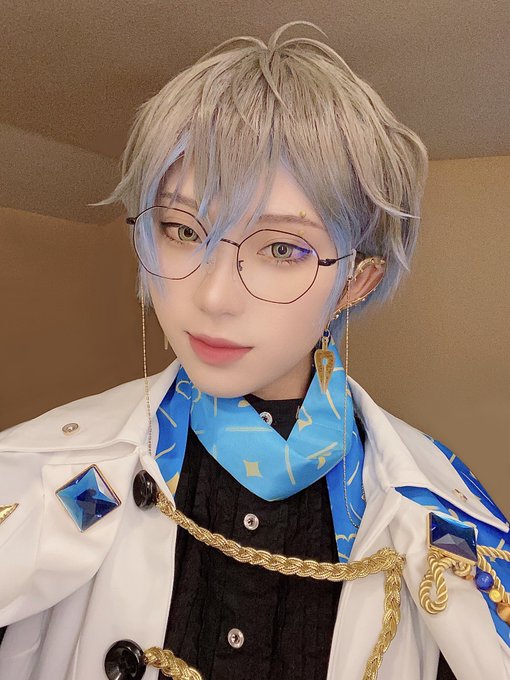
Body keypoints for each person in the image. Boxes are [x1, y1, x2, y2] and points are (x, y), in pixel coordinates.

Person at [0, 20, 509, 680]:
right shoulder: (38, 474)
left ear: (356, 282)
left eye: (282, 248)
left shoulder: (444, 524)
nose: (212, 296)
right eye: (184, 230)